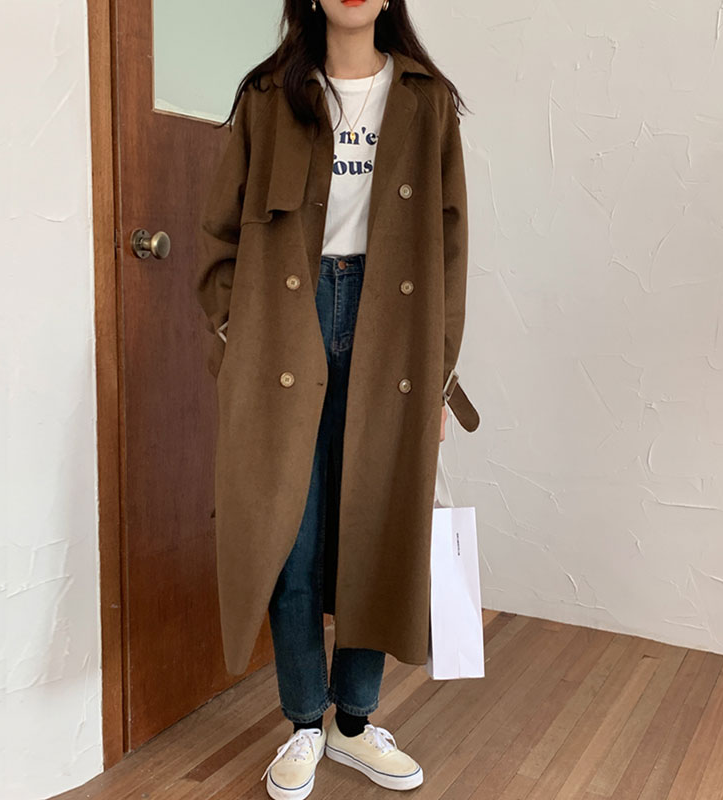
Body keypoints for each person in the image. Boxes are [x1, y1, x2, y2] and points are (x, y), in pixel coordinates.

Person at [196, 1, 474, 797]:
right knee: (290, 530)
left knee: (375, 525)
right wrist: (235, 337)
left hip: (392, 326)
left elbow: (451, 249)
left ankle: (353, 722)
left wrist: (438, 374)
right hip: (288, 318)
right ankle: (303, 725)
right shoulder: (267, 96)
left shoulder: (426, 101)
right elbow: (219, 235)